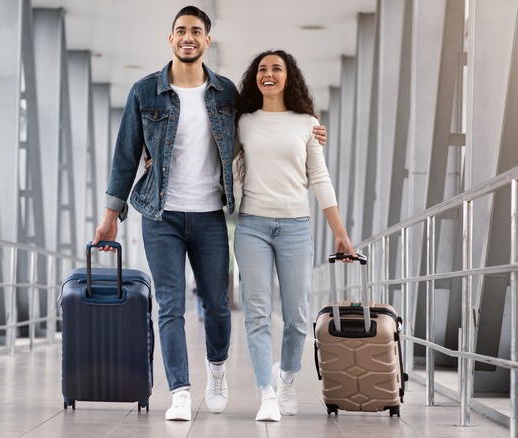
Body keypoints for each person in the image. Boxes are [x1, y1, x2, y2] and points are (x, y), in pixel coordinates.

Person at [93, 7, 326, 421]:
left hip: (209, 215)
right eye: (180, 31)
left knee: (217, 305)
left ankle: (216, 370)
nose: (187, 37)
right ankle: (180, 391)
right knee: (169, 305)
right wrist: (111, 214)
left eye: (195, 32)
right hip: (159, 214)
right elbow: (125, 155)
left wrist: (308, 127)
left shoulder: (225, 95)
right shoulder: (144, 91)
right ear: (170, 39)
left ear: (207, 40)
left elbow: (261, 123)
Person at [232, 49, 356, 422]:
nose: (268, 74)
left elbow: (319, 178)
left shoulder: (306, 123)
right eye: (262, 69)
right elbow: (214, 157)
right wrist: (156, 158)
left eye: (276, 69)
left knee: (298, 317)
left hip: (295, 228)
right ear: (255, 77)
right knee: (256, 314)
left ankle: (285, 378)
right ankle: (266, 394)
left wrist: (340, 234)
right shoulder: (244, 122)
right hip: (252, 225)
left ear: (290, 77)